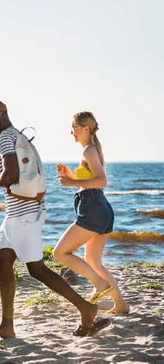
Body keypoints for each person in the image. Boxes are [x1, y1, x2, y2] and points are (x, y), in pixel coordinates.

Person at [0, 99, 109, 338]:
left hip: (22, 215)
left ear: (2, 114)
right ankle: (7, 326)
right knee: (3, 264)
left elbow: (10, 175)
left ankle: (86, 309)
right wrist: (2, 175)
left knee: (36, 269)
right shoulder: (18, 137)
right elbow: (16, 174)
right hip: (16, 214)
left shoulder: (7, 137)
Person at [54, 111, 129, 314]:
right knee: (94, 261)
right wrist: (70, 175)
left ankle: (99, 283)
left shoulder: (89, 151)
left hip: (94, 209)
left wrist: (72, 182)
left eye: (74, 128)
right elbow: (90, 183)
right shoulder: (90, 149)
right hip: (100, 208)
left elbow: (101, 181)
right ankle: (120, 305)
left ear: (85, 129)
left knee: (60, 253)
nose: (72, 133)